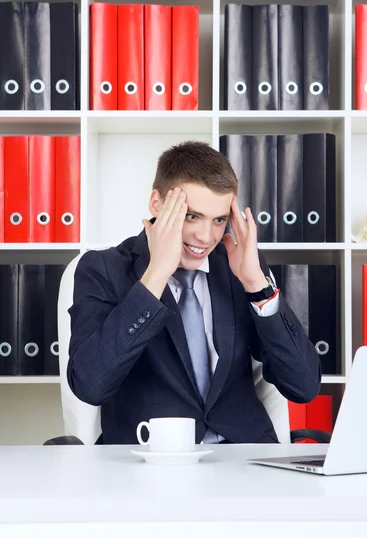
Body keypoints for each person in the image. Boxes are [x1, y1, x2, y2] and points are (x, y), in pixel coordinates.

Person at [67, 141, 321, 444]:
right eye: (192, 216)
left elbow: (303, 387)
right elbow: (89, 385)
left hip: (243, 460)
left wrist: (256, 286)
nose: (206, 237)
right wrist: (156, 275)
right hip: (151, 461)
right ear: (156, 204)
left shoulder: (237, 266)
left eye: (219, 220)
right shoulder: (103, 269)